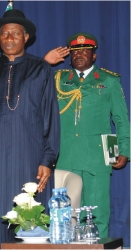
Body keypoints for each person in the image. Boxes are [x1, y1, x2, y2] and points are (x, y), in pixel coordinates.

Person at [0, 9, 60, 249]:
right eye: (4, 34)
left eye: (15, 34)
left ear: (26, 37)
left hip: (31, 163)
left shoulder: (40, 68)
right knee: (2, 227)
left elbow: (50, 118)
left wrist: (48, 159)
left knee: (34, 229)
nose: (9, 38)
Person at [46, 32, 130, 238]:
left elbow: (121, 120)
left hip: (97, 157)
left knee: (97, 210)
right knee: (65, 212)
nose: (79, 55)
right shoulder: (58, 79)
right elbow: (31, 81)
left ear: (94, 56)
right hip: (65, 156)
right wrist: (44, 63)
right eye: (75, 52)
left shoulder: (109, 81)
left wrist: (125, 150)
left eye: (85, 51)